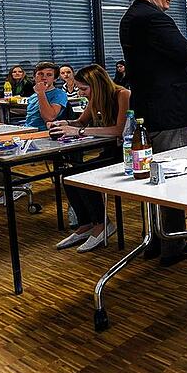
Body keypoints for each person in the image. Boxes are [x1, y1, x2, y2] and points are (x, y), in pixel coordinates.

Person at [120, 0, 187, 266]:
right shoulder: (153, 18)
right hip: (168, 111)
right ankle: (173, 245)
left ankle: (154, 238)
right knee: (172, 177)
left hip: (148, 109)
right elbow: (184, 53)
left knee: (152, 177)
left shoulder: (130, 19)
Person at [48, 64, 130, 252]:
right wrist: (66, 123)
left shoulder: (122, 94)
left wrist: (78, 131)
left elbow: (118, 130)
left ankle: (102, 224)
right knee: (68, 175)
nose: (81, 93)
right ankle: (85, 224)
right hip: (110, 151)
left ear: (97, 85)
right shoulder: (96, 97)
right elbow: (81, 121)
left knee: (83, 174)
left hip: (125, 154)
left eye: (84, 89)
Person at [24, 62, 67, 130]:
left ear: (55, 79)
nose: (44, 77)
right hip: (27, 128)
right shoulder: (33, 96)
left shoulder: (59, 94)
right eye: (40, 74)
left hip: (43, 131)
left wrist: (41, 93)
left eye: (49, 75)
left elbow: (49, 117)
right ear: (34, 77)